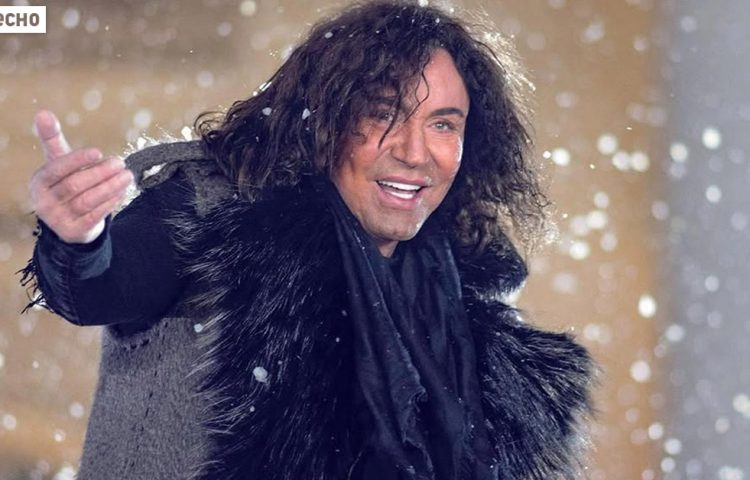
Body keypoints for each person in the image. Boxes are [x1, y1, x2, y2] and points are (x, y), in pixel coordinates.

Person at [20, 1, 595, 479]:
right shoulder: (216, 208)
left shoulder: (466, 282)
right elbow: (102, 287)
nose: (415, 152)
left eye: (443, 124)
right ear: (323, 120)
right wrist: (78, 241)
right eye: (383, 115)